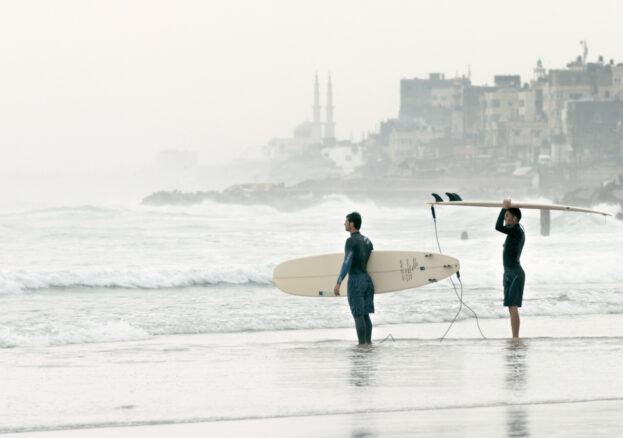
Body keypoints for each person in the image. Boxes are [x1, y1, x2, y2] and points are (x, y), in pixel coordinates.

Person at [334, 212, 375, 345]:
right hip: (367, 281)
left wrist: (338, 282)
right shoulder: (367, 241)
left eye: (346, 221)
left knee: (358, 315)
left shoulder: (350, 241)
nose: (344, 223)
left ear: (352, 224)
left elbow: (347, 262)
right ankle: (368, 344)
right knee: (365, 315)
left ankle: (362, 345)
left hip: (356, 281)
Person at [495, 199, 525, 339]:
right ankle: (515, 337)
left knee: (512, 307)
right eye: (505, 215)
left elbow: (497, 227)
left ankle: (515, 338)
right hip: (509, 272)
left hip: (514, 273)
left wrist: (503, 208)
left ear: (515, 218)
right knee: (510, 307)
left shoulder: (516, 231)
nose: (505, 218)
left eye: (507, 215)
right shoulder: (513, 232)